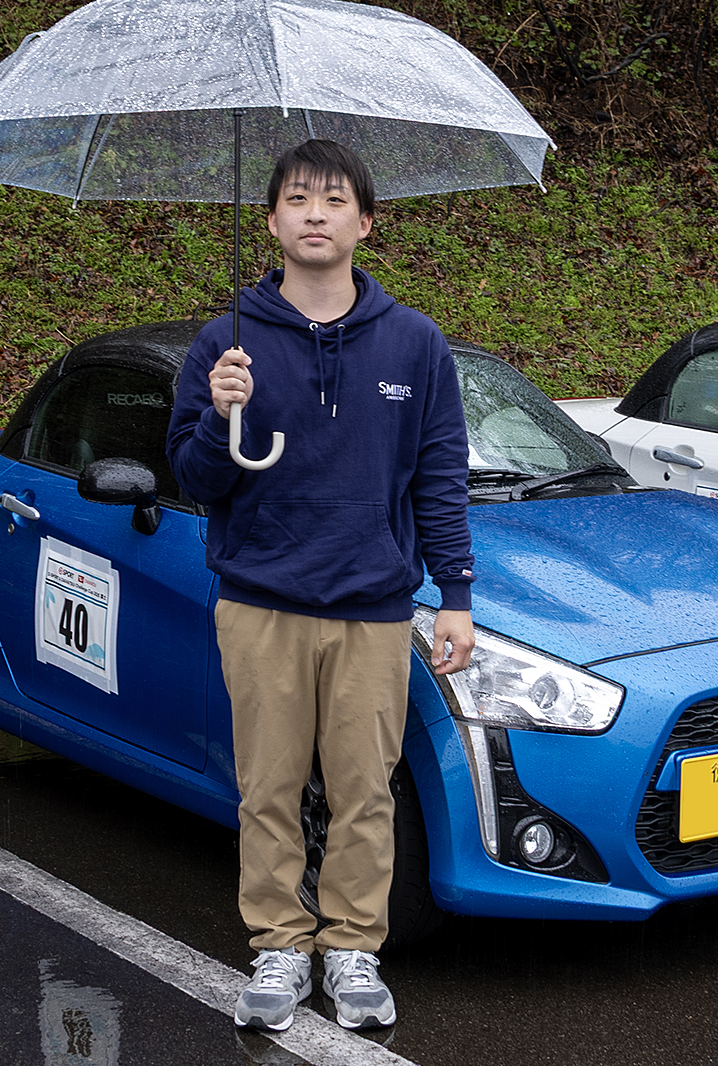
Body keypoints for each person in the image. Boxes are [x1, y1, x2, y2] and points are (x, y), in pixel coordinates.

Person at [166, 139, 475, 1032]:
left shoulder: (415, 344)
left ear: (364, 224)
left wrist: (455, 595)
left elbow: (439, 476)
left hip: (373, 608)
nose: (314, 213)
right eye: (297, 198)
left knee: (363, 791)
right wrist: (221, 413)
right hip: (261, 602)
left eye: (334, 200)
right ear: (270, 220)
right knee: (267, 788)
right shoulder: (226, 341)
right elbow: (195, 478)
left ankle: (352, 951)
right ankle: (277, 945)